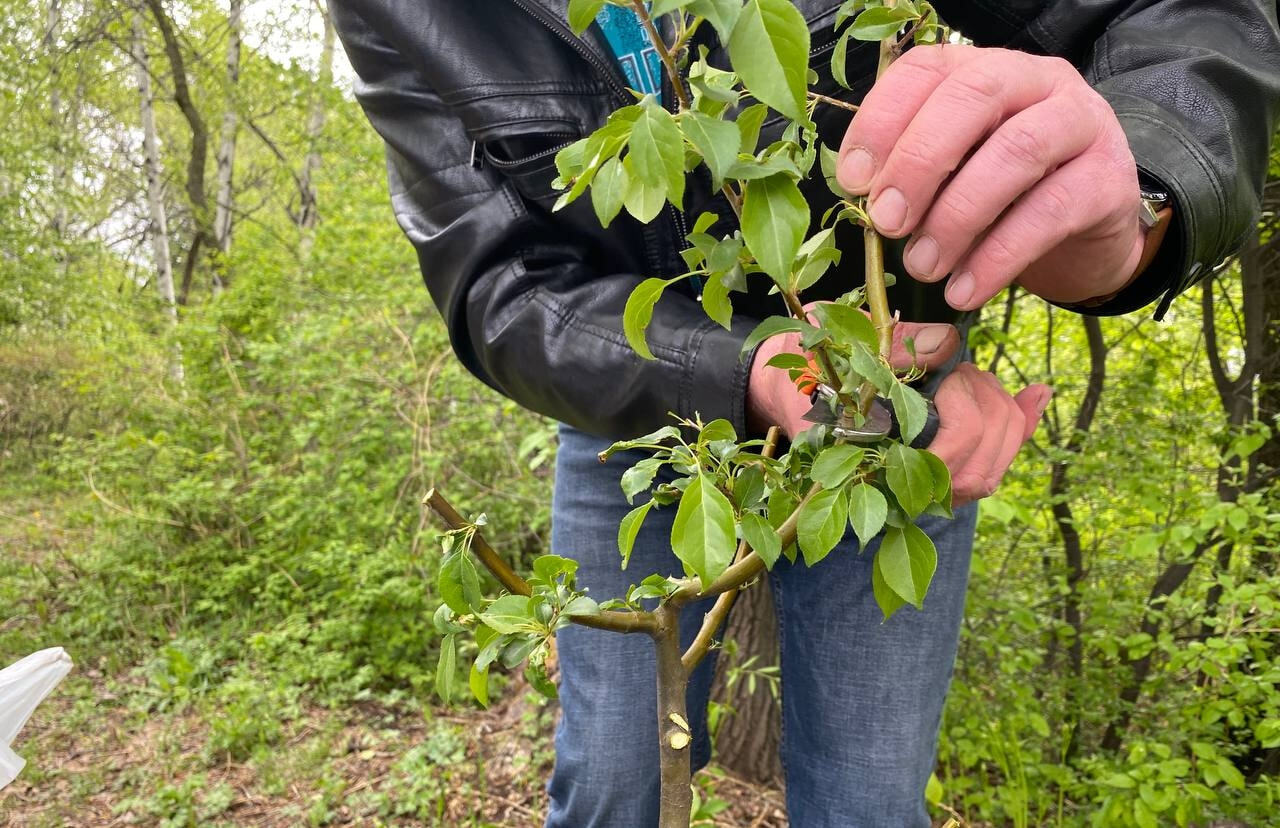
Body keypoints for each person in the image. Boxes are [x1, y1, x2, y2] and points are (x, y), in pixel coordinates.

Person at [330, 1, 1280, 825]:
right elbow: (498, 284)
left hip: (890, 412)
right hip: (638, 416)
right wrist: (744, 365)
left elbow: (1173, 19)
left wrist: (1137, 194)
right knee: (612, 786)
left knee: (869, 801)